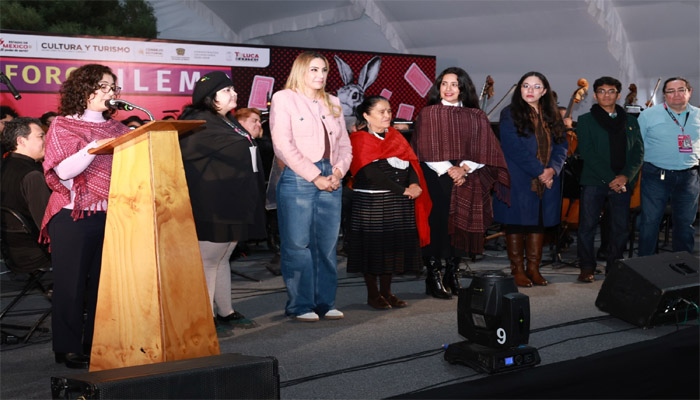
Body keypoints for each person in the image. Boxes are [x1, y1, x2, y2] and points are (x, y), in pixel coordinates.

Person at [39, 64, 130, 369]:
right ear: (84, 89)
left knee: (104, 286)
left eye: (113, 87)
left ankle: (95, 343)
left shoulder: (120, 131)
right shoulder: (63, 126)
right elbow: (63, 172)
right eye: (103, 86)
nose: (109, 92)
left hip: (113, 215)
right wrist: (92, 148)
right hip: (73, 217)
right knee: (71, 285)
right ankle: (67, 347)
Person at [179, 71, 265, 334]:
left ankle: (225, 311)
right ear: (209, 96)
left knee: (223, 256)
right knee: (208, 260)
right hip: (212, 203)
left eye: (233, 89)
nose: (234, 93)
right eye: (226, 90)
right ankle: (204, 318)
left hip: (234, 200)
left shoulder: (226, 120)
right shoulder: (196, 123)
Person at [412, 67, 509, 298]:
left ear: (463, 88)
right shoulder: (429, 113)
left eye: (454, 84)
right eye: (444, 84)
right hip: (436, 177)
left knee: (461, 226)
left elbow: (485, 148)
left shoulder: (476, 116)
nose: (448, 89)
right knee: (438, 225)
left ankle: (452, 273)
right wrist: (451, 170)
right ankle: (433, 275)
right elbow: (424, 148)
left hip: (468, 176)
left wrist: (464, 168)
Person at [270, 51, 352, 322]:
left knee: (327, 245)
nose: (320, 75)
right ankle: (300, 305)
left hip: (332, 176)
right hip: (299, 177)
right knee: (297, 246)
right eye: (314, 69)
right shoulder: (284, 98)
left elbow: (345, 145)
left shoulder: (333, 101)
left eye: (324, 70)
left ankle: (325, 303)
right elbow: (282, 145)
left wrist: (338, 171)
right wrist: (315, 176)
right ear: (300, 71)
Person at [347, 96, 431, 309]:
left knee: (392, 250)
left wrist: (414, 184)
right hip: (372, 203)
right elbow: (370, 173)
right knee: (373, 251)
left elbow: (411, 163)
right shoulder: (359, 139)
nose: (387, 115)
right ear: (366, 116)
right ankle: (373, 295)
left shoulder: (396, 136)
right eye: (381, 112)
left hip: (397, 202)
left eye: (389, 111)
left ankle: (386, 292)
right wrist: (404, 190)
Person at [493, 71, 568, 287]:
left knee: (538, 223)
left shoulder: (552, 114)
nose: (530, 91)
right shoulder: (510, 113)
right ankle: (517, 269)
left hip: (547, 179)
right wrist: (540, 172)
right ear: (520, 89)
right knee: (515, 223)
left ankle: (533, 269)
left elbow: (562, 145)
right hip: (518, 176)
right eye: (526, 86)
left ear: (544, 91)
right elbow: (513, 147)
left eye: (536, 87)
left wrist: (552, 170)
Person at [575, 76, 643, 282]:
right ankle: (587, 267)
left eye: (611, 91)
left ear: (618, 95)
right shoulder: (585, 120)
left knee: (620, 227)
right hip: (594, 181)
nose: (606, 95)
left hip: (622, 183)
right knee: (587, 226)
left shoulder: (631, 121)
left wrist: (625, 176)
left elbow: (638, 152)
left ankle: (614, 267)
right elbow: (587, 152)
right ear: (595, 95)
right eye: (602, 91)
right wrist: (612, 178)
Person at [637, 77, 699, 255]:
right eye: (671, 91)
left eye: (681, 90)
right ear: (664, 95)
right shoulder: (648, 115)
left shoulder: (698, 115)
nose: (676, 94)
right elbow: (636, 146)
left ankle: (683, 264)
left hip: (689, 177)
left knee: (685, 224)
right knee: (650, 222)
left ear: (689, 92)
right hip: (656, 175)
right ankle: (645, 265)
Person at [0, 117, 52, 271]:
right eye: (41, 136)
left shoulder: (5, 165)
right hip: (34, 254)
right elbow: (47, 227)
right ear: (21, 141)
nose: (46, 141)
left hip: (10, 250)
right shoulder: (32, 175)